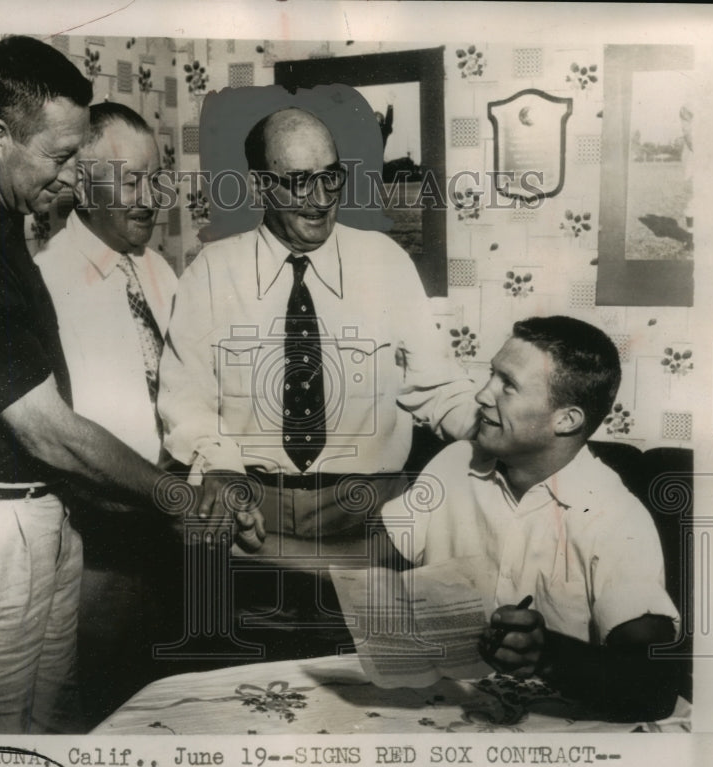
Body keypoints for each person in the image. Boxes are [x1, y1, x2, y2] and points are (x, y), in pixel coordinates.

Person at [0, 36, 258, 735]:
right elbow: (47, 427)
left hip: (26, 522)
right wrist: (180, 498)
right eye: (64, 157)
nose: (74, 181)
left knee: (50, 739)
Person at [158, 106, 478, 547]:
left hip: (371, 513)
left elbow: (436, 386)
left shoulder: (385, 261)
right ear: (259, 187)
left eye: (331, 176)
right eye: (298, 181)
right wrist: (220, 466)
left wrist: (504, 432)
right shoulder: (211, 273)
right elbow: (186, 397)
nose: (321, 197)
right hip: (251, 514)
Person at [378, 316, 681, 721]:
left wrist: (549, 653)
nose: (483, 395)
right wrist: (265, 544)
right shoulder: (454, 461)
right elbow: (368, 557)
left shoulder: (617, 519)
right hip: (452, 710)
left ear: (566, 420)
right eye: (491, 376)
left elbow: (656, 689)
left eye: (508, 385)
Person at [35, 102, 180, 725]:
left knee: (163, 700)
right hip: (96, 538)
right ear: (82, 185)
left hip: (167, 526)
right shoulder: (45, 281)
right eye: (130, 180)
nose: (150, 199)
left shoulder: (160, 271)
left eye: (156, 179)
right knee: (95, 705)